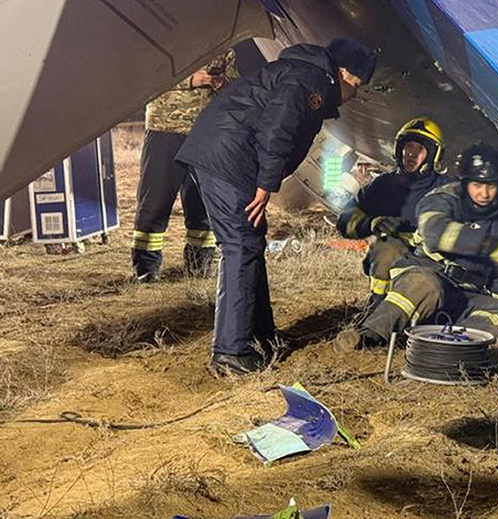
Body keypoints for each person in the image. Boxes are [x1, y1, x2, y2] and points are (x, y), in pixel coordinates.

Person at [176, 38, 376, 376]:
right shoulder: (308, 81)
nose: (356, 94)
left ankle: (261, 338)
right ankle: (230, 353)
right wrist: (267, 184)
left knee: (251, 242)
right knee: (239, 246)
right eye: (357, 84)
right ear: (342, 73)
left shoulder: (302, 74)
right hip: (228, 160)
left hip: (227, 155)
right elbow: (277, 129)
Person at [343, 143, 498, 350]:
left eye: (491, 186)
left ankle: (454, 349)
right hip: (430, 273)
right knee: (424, 285)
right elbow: (434, 233)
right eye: (477, 185)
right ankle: (368, 336)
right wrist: (485, 244)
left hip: (470, 292)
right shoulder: (442, 199)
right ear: (464, 183)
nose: (484, 193)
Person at [132, 50, 237, 282]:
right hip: (164, 129)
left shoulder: (224, 43)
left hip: (205, 132)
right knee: (155, 200)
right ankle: (146, 268)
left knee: (201, 202)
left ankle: (200, 264)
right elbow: (147, 74)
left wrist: (224, 82)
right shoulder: (169, 40)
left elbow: (235, 80)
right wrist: (191, 80)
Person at [335, 118, 449, 312]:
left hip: (435, 264)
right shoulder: (382, 185)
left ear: (433, 155)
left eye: (420, 149)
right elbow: (345, 220)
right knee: (387, 248)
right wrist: (372, 223)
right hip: (392, 259)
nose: (411, 154)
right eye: (408, 147)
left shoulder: (447, 189)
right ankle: (377, 305)